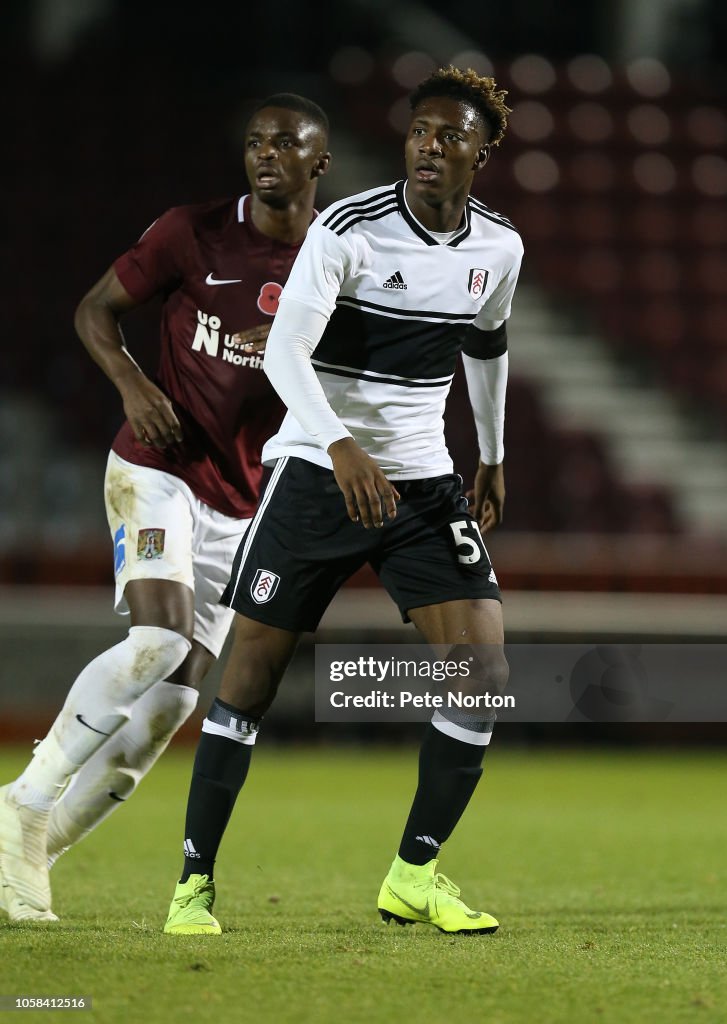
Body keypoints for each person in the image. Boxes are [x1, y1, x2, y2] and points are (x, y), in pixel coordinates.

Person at [163, 65, 522, 937]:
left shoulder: (498, 248)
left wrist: (492, 454)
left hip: (424, 482)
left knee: (481, 674)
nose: (428, 148)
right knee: (248, 674)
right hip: (320, 472)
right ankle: (192, 885)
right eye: (418, 133)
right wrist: (338, 443)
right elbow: (287, 356)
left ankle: (413, 873)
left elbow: (486, 345)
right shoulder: (348, 228)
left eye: (449, 136)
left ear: (483, 152)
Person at [0, 94, 331, 923]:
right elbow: (94, 310)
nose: (264, 155)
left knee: (172, 706)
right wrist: (135, 383)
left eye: (284, 144)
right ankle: (24, 800)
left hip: (244, 502)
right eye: (254, 141)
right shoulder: (193, 231)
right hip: (160, 469)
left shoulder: (339, 258)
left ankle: (33, 854)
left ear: (319, 164)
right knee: (154, 640)